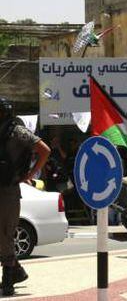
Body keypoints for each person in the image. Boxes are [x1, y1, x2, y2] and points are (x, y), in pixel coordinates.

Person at [0, 97, 50, 296]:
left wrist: (30, 174)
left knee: (5, 234)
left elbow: (44, 150)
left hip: (8, 190)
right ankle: (17, 271)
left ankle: (8, 282)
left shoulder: (17, 131)